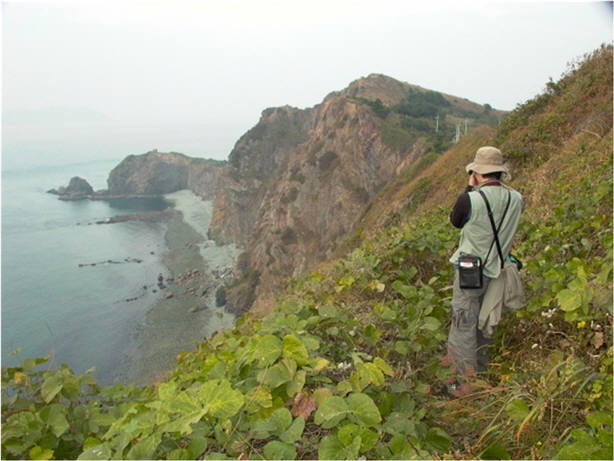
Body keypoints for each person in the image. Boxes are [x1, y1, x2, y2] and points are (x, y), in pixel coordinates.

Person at [445, 146, 523, 396]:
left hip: (470, 271)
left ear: (477, 173)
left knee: (463, 323)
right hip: (498, 270)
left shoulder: (470, 199)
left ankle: (464, 385)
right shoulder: (516, 198)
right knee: (485, 322)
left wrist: (470, 187)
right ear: (500, 172)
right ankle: (482, 372)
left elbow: (456, 220)